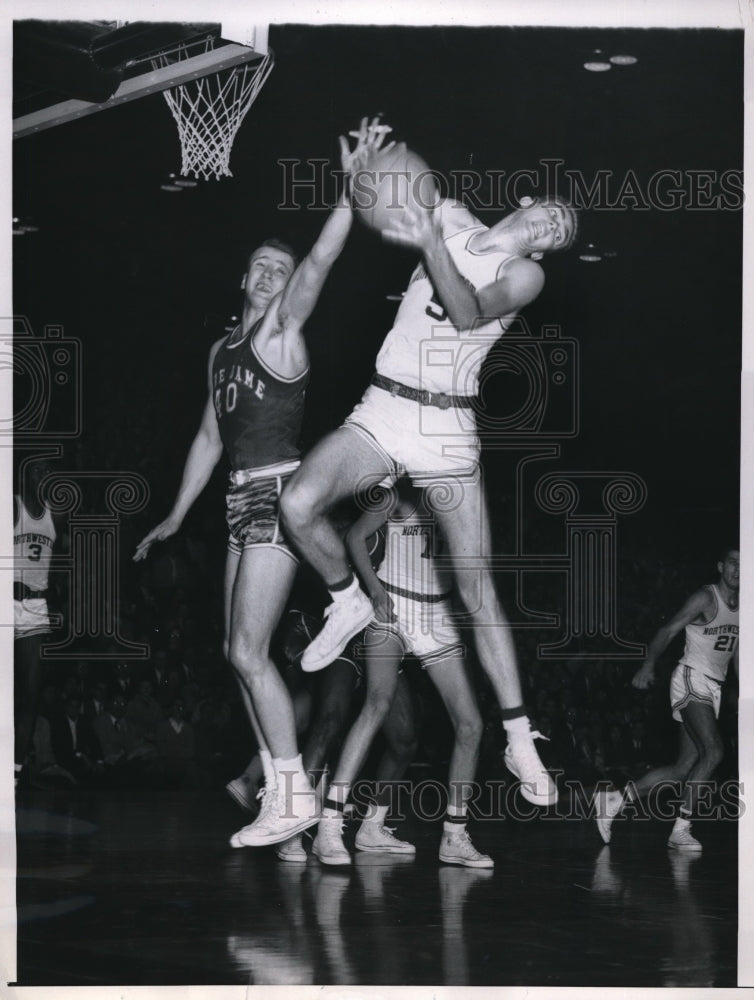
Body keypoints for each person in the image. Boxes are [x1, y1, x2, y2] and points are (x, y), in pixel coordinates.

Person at [281, 144, 579, 806]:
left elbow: (470, 311)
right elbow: (387, 202)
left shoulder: (525, 274)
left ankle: (521, 738)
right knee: (297, 504)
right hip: (386, 405)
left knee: (477, 592)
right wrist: (360, 173)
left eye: (561, 235)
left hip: (446, 429)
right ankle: (345, 599)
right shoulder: (449, 214)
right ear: (528, 204)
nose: (553, 229)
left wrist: (430, 240)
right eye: (553, 214)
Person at [134, 118, 393, 847]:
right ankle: (282, 791)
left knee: (250, 652)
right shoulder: (221, 350)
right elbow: (211, 436)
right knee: (234, 652)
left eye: (281, 271)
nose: (274, 275)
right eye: (262, 267)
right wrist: (177, 516)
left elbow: (319, 263)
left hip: (281, 495)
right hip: (237, 498)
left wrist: (351, 191)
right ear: (243, 279)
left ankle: (291, 792)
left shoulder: (280, 333)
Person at [312, 478, 492, 868]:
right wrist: (375, 590)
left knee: (471, 725)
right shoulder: (399, 489)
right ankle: (329, 825)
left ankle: (452, 836)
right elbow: (356, 538)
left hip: (437, 615)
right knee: (376, 705)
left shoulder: (464, 497)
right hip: (392, 603)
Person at [595, 546, 739, 851]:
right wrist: (647, 665)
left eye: (743, 564)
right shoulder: (705, 597)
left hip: (714, 686)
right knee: (714, 752)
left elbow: (735, 652)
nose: (737, 570)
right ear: (720, 566)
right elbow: (668, 629)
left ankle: (614, 801)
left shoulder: (746, 605)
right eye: (732, 563)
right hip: (691, 678)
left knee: (683, 768)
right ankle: (681, 829)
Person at [13, 457, 62, 787]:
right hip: (6, 602)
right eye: (36, 470)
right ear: (24, 475)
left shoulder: (56, 514)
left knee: (30, 693)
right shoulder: (11, 506)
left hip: (36, 606)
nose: (42, 475)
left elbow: (57, 561)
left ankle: (14, 771)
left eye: (47, 470)